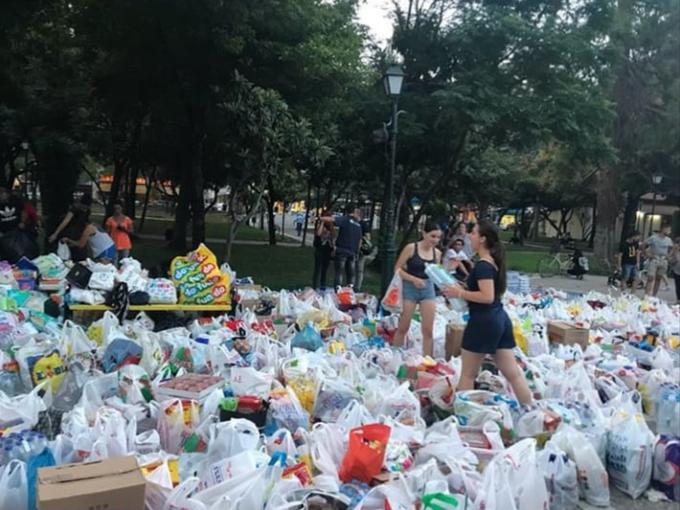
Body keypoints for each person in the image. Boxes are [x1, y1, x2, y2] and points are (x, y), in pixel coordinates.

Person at [442, 220, 533, 406]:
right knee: (512, 373)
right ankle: (531, 407)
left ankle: (464, 415)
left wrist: (459, 293)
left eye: (473, 233)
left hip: (483, 321)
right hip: (499, 319)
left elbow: (486, 296)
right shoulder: (492, 263)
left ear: (483, 239)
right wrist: (462, 287)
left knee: (467, 375)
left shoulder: (483, 265)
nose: (470, 236)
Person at [392, 220, 442, 357]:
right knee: (403, 326)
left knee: (428, 330)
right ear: (424, 233)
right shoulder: (411, 248)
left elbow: (437, 273)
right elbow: (397, 269)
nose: (435, 240)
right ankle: (393, 355)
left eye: (438, 237)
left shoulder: (437, 253)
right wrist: (413, 279)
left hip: (428, 288)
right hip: (410, 287)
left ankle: (428, 359)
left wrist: (446, 282)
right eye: (433, 236)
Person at [320, 206, 363, 287]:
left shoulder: (345, 219)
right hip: (352, 252)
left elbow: (332, 219)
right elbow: (360, 241)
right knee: (351, 274)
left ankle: (338, 289)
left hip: (342, 250)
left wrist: (321, 218)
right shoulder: (358, 225)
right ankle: (350, 290)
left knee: (339, 273)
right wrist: (357, 252)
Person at [643, 226, 673, 296]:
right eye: (668, 229)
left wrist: (668, 256)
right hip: (654, 258)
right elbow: (643, 245)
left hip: (663, 259)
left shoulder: (668, 240)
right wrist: (647, 254)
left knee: (658, 278)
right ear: (663, 229)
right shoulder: (653, 238)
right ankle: (646, 295)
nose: (669, 231)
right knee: (650, 277)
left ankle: (654, 295)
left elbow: (672, 248)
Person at [312, 209, 334, 290]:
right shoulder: (321, 225)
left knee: (324, 269)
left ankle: (322, 285)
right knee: (318, 269)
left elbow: (332, 238)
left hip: (327, 251)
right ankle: (315, 286)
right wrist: (322, 222)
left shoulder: (331, 227)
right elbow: (318, 233)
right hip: (320, 250)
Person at [355, 220, 378, 291]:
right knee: (359, 269)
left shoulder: (359, 224)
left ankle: (355, 286)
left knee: (357, 268)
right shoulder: (364, 224)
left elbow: (367, 237)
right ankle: (357, 287)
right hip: (362, 249)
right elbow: (368, 237)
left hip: (359, 249)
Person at [670, 237, 680, 304]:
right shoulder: (675, 251)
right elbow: (671, 260)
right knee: (678, 286)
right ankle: (678, 299)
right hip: (676, 270)